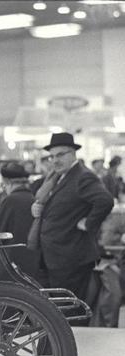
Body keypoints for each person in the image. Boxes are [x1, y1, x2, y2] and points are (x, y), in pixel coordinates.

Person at [28, 132, 113, 323]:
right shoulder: (57, 177)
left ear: (73, 153)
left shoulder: (83, 177)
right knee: (59, 310)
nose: (55, 160)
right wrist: (37, 208)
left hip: (71, 257)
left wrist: (88, 223)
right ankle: (63, 347)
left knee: (71, 312)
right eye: (52, 156)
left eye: (61, 155)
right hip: (55, 256)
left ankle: (73, 348)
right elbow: (52, 205)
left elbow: (105, 201)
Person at [0, 163, 40, 279]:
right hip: (32, 257)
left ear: (8, 182)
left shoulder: (11, 200)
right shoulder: (32, 198)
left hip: (14, 258)